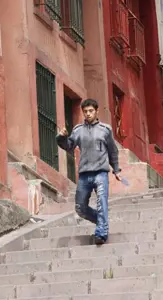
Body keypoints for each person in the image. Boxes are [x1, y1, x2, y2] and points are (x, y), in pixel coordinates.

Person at [56, 98, 122, 245]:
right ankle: (101, 221)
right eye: (85, 111)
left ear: (96, 111)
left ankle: (101, 234)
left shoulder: (105, 130)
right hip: (84, 174)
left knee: (101, 202)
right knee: (80, 208)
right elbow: (69, 146)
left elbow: (113, 151)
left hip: (101, 173)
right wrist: (61, 138)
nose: (88, 114)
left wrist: (116, 170)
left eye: (91, 111)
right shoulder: (78, 130)